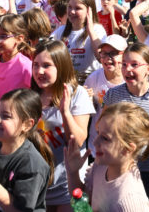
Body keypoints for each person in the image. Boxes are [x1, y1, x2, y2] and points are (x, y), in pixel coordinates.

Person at [64, 102, 149, 212]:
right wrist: (73, 172)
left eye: (105, 138)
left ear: (128, 149)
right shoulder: (100, 166)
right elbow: (81, 195)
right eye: (98, 133)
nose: (95, 142)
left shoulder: (131, 201)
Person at [31, 40, 94, 210]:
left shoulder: (77, 94)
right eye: (35, 65)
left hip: (68, 183)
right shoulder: (30, 96)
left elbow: (78, 140)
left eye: (46, 65)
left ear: (62, 66)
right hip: (39, 183)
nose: (39, 71)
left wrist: (65, 112)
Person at [103, 43, 149, 200]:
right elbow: (102, 124)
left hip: (147, 163)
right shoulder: (114, 94)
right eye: (124, 65)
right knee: (119, 201)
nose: (128, 69)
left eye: (134, 65)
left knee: (143, 200)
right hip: (119, 162)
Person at [84, 35, 126, 156]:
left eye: (113, 53)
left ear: (125, 55)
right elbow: (90, 112)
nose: (107, 58)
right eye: (103, 53)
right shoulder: (93, 78)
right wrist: (87, 100)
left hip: (123, 146)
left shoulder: (130, 79)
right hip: (98, 145)